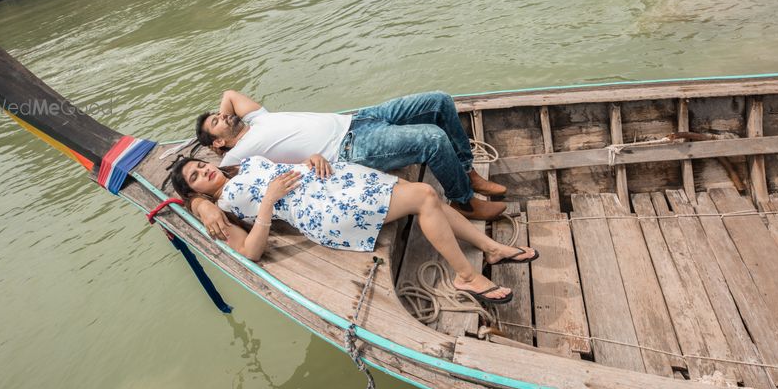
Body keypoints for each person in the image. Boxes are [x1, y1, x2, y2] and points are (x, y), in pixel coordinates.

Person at [170, 155, 538, 305]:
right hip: (324, 211)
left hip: (336, 180)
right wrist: (266, 202)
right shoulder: (221, 207)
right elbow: (250, 251)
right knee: (425, 195)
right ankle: (467, 276)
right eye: (196, 178)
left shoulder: (242, 163)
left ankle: (489, 247)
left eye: (202, 165)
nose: (205, 172)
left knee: (426, 199)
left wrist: (309, 158)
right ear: (194, 191)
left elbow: (282, 167)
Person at [191, 90, 508, 240]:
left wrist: (217, 122)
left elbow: (229, 95)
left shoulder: (255, 119)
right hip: (349, 147)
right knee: (433, 139)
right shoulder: (236, 159)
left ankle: (466, 172)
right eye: (217, 123)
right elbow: (189, 186)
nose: (224, 116)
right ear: (217, 145)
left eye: (219, 115)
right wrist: (202, 206)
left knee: (439, 101)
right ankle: (463, 201)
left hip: (359, 118)